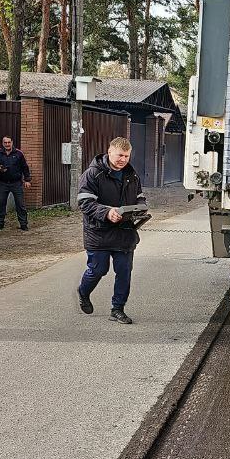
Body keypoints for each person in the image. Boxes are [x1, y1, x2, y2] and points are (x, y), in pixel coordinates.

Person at [75, 136, 148, 324]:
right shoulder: (92, 174)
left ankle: (117, 309)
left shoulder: (133, 175)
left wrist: (141, 209)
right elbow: (84, 203)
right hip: (98, 232)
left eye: (126, 156)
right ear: (109, 152)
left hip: (125, 233)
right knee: (98, 269)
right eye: (119, 155)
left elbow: (140, 197)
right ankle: (83, 292)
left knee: (124, 272)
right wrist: (107, 213)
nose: (123, 159)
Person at [0, 136, 31, 231]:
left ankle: (23, 224)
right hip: (3, 183)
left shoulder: (19, 154)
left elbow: (25, 167)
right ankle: (0, 224)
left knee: (20, 204)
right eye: (5, 142)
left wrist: (27, 180)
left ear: (12, 142)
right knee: (0, 204)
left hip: (16, 183)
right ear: (2, 143)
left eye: (9, 142)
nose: (7, 144)